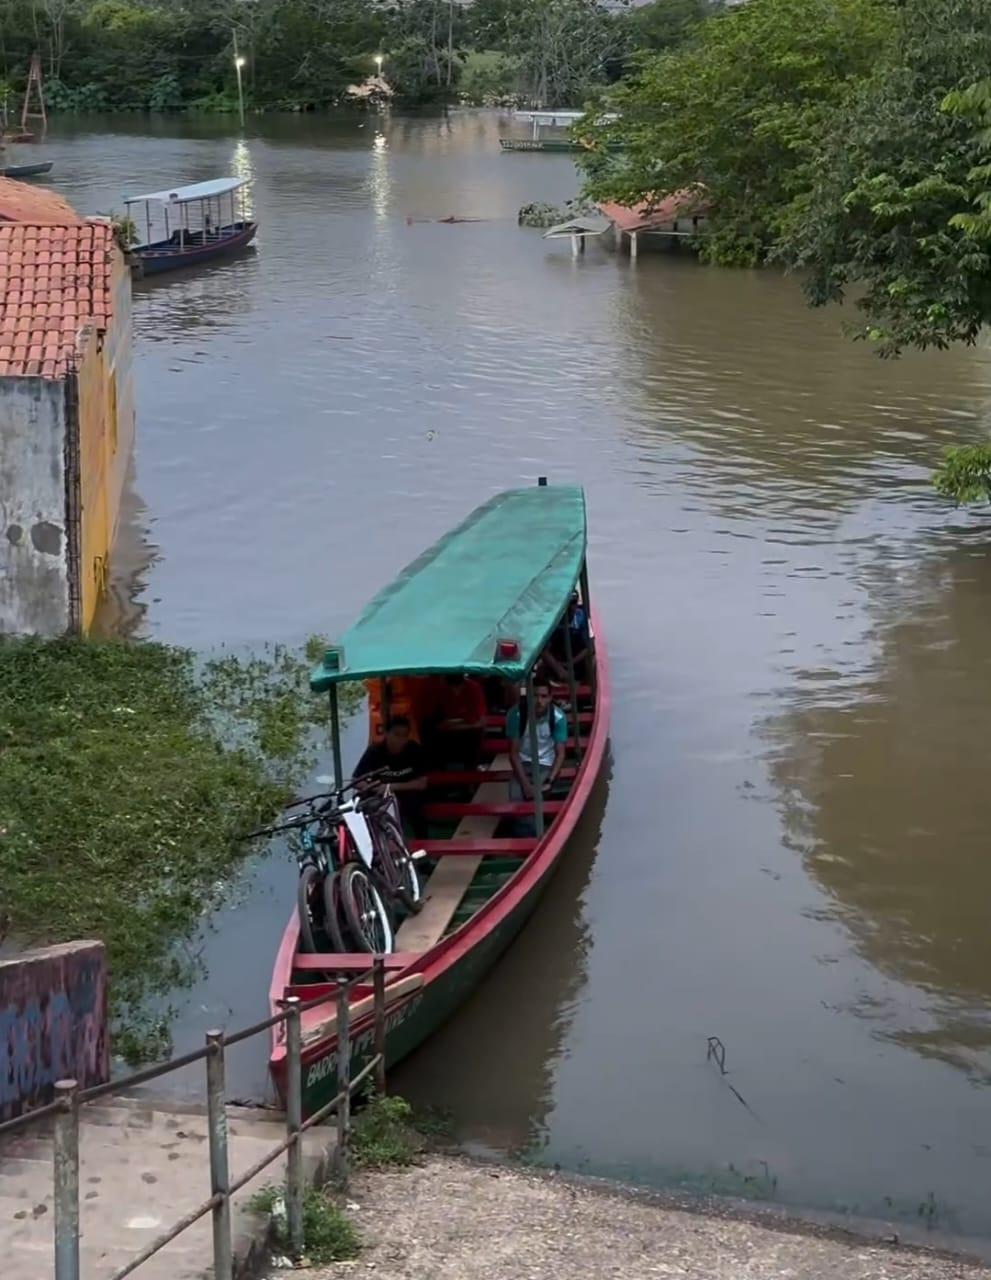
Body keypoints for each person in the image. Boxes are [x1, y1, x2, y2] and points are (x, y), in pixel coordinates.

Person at [354, 715, 428, 835]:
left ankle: (422, 840)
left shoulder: (414, 750)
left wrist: (391, 787)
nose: (400, 739)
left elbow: (421, 783)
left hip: (405, 793)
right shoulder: (374, 751)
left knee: (414, 806)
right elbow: (356, 780)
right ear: (387, 733)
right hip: (378, 794)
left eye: (404, 735)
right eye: (396, 734)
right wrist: (374, 787)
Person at [506, 674, 567, 809]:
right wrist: (526, 785)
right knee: (516, 801)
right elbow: (513, 753)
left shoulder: (558, 717)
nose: (539, 701)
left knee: (538, 798)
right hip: (523, 764)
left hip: (546, 764)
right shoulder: (515, 715)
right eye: (534, 696)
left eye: (544, 696)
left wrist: (550, 780)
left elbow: (560, 754)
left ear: (550, 698)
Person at [427, 673, 486, 769]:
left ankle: (471, 770)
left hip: (469, 732)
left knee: (474, 735)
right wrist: (464, 721)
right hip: (450, 732)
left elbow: (479, 721)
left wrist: (452, 723)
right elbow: (440, 724)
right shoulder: (442, 690)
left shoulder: (473, 688)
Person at [542, 592, 591, 684]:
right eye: (567, 603)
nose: (570, 607)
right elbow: (543, 650)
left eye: (573, 603)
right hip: (555, 661)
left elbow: (588, 647)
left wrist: (571, 663)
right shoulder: (550, 618)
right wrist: (559, 669)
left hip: (576, 660)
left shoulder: (582, 616)